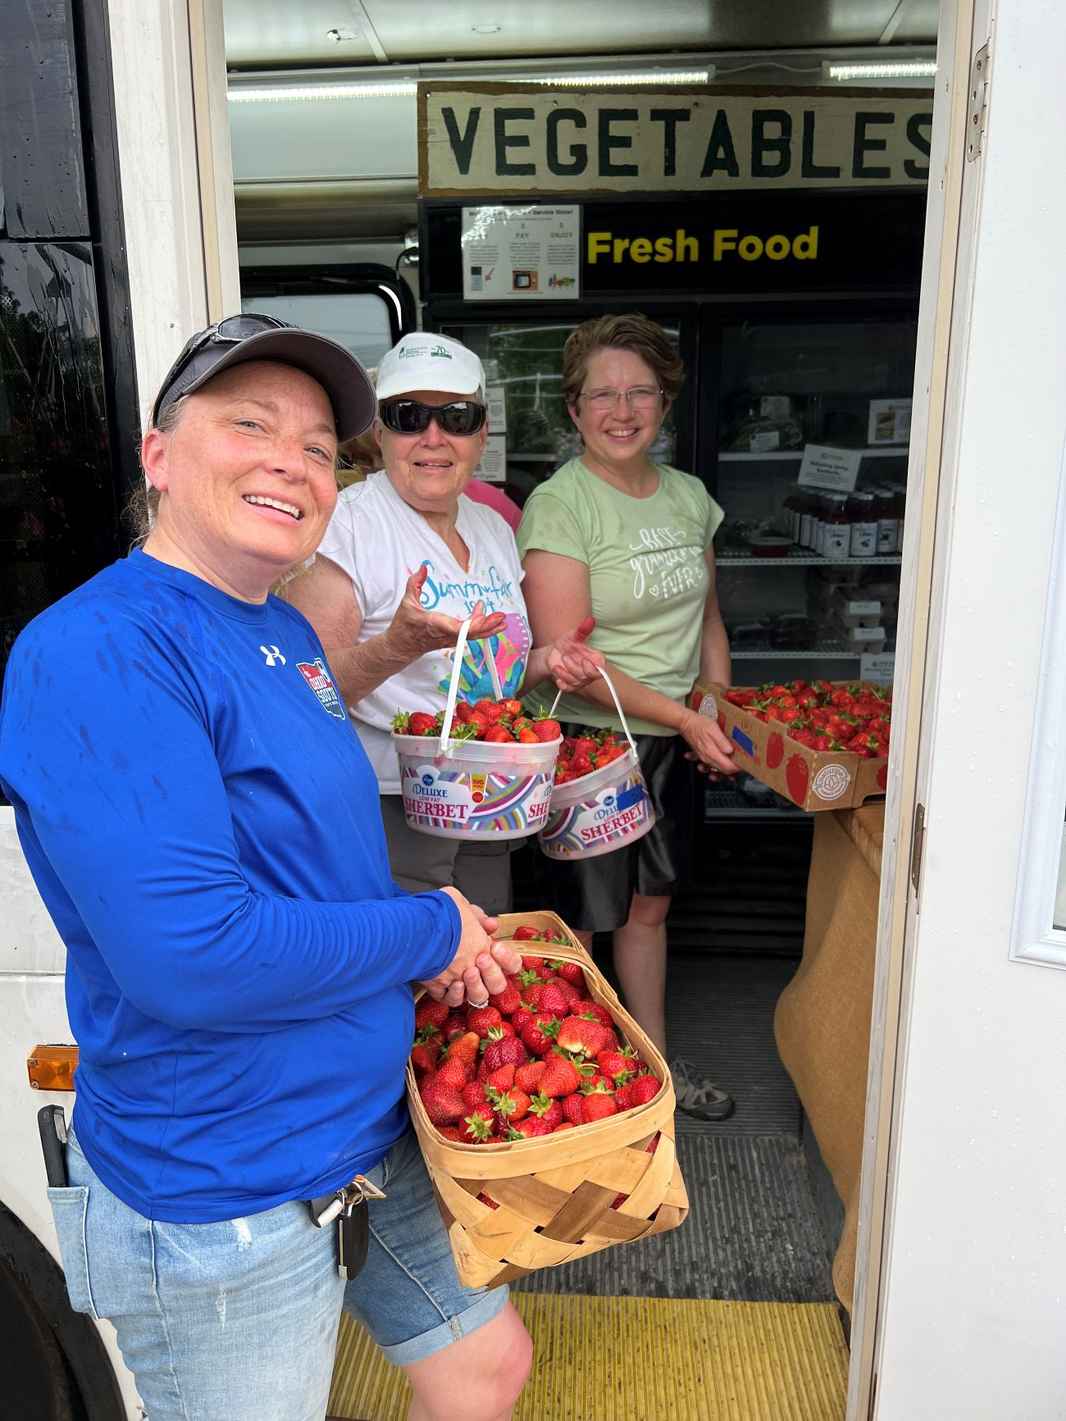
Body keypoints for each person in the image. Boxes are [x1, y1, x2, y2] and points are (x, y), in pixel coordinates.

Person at [0, 313, 533, 1421]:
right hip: (224, 1180)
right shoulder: (100, 648)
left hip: (363, 1130)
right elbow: (193, 955)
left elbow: (303, 874)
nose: (290, 462)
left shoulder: (277, 632)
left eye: (315, 446)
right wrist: (429, 928)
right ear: (159, 456)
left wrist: (416, 934)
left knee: (485, 1370)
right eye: (250, 424)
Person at [285, 331, 602, 915]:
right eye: (409, 416)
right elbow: (308, 693)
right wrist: (398, 647)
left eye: (456, 416)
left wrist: (547, 664)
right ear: (380, 433)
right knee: (409, 985)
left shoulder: (493, 530)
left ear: (481, 434)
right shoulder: (348, 526)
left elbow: (490, 681)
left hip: (487, 798)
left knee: (478, 978)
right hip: (389, 806)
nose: (433, 437)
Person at [517, 312, 738, 1122]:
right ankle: (575, 1087)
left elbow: (708, 617)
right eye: (602, 394)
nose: (622, 409)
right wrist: (684, 719)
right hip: (592, 741)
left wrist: (715, 709)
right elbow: (568, 658)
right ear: (573, 410)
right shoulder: (559, 506)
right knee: (583, 919)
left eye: (640, 391)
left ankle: (653, 1069)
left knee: (652, 905)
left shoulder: (689, 498)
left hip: (677, 732)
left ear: (664, 402)